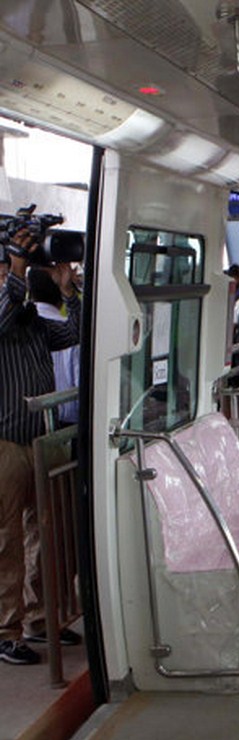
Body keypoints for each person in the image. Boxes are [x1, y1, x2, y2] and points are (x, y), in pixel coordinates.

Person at [0, 229, 82, 665]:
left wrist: (67, 286)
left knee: (48, 535)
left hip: (40, 438)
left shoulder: (32, 319)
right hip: (6, 443)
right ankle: (5, 629)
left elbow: (71, 332)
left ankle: (38, 618)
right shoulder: (6, 312)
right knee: (6, 541)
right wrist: (18, 270)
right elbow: (4, 312)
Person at [28, 268, 80, 426]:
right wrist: (69, 290)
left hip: (29, 423)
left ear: (29, 292)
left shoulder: (17, 329)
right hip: (68, 427)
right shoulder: (68, 331)